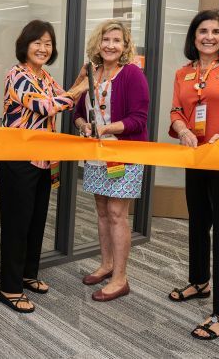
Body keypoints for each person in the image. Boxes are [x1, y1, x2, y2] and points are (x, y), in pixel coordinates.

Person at [167, 10, 219, 340]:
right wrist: (181, 128)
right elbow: (176, 109)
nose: (209, 37)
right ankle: (199, 281)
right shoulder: (183, 73)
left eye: (216, 32)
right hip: (196, 155)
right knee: (198, 221)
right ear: (193, 36)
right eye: (203, 31)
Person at [0, 20, 89, 313]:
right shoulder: (17, 75)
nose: (43, 48)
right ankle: (9, 288)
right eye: (37, 42)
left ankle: (28, 274)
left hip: (44, 159)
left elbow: (66, 100)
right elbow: (47, 106)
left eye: (48, 43)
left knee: (37, 219)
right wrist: (81, 87)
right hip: (18, 159)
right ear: (25, 45)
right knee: (17, 222)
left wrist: (79, 85)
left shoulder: (45, 77)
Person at [73, 19, 149, 302]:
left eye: (117, 41)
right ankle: (106, 265)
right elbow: (77, 112)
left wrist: (105, 128)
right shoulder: (91, 74)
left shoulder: (131, 74)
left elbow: (138, 120)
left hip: (124, 156)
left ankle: (120, 278)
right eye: (106, 40)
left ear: (125, 45)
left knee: (117, 214)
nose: (110, 45)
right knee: (103, 212)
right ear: (98, 43)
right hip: (97, 156)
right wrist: (84, 126)